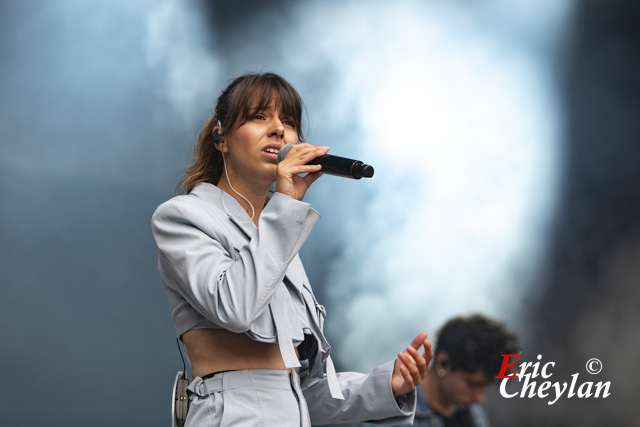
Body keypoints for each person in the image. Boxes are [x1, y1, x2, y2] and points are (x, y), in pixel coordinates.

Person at [151, 72, 433, 426]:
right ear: (220, 138)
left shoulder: (279, 235)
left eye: (289, 121)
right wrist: (284, 204)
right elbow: (235, 308)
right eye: (259, 117)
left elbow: (305, 391)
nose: (278, 129)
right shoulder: (183, 216)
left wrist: (384, 387)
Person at [360, 314, 518, 427]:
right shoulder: (390, 418)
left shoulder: (476, 417)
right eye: (473, 383)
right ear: (443, 363)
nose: (480, 398)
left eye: (486, 386)